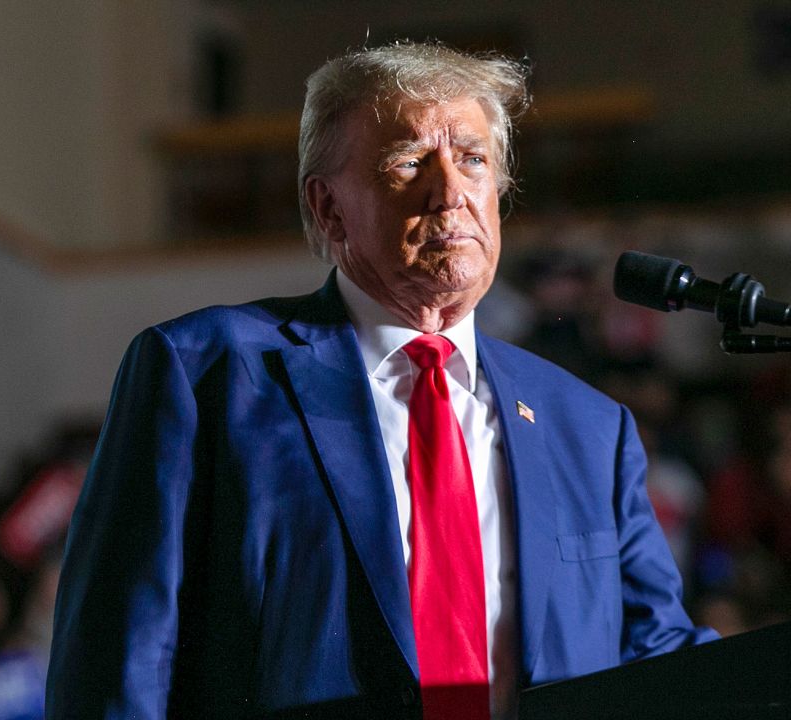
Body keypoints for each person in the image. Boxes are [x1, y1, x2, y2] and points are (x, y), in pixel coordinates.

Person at [46, 42, 714, 720]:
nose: (451, 190)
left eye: (474, 160)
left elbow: (661, 660)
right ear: (329, 209)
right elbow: (115, 671)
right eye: (409, 161)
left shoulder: (589, 427)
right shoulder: (205, 373)